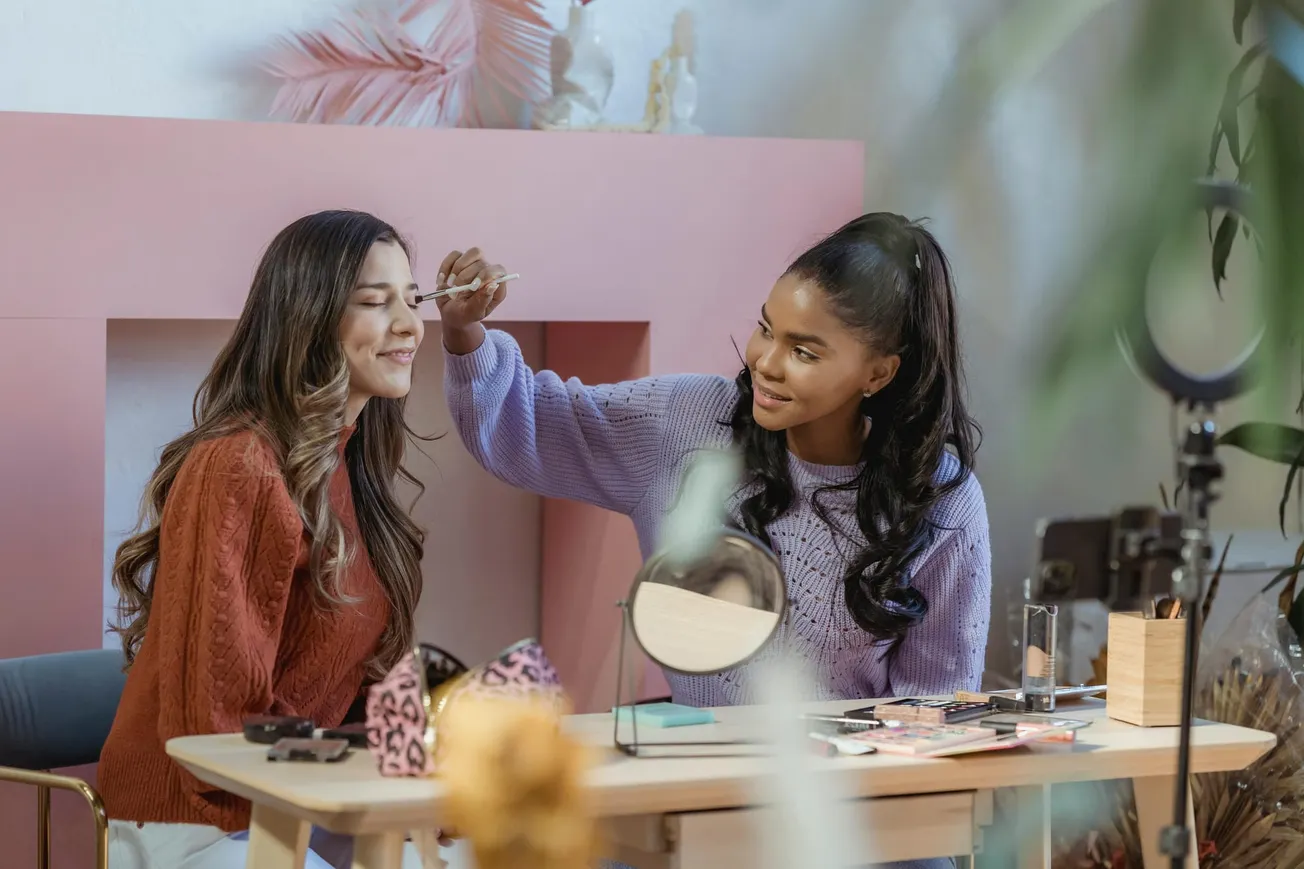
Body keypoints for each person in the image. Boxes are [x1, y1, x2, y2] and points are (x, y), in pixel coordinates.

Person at [437, 212, 991, 708]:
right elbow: (528, 423)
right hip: (694, 783)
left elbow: (934, 711)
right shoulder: (688, 421)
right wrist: (464, 332)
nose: (766, 364)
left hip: (843, 806)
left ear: (878, 374)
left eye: (803, 351)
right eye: (765, 330)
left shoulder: (941, 500)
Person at [99, 210, 440, 869]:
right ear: (308, 318)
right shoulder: (239, 465)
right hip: (196, 819)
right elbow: (212, 731)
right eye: (375, 301)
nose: (409, 324)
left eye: (413, 297)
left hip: (297, 801)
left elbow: (361, 692)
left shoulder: (352, 467)